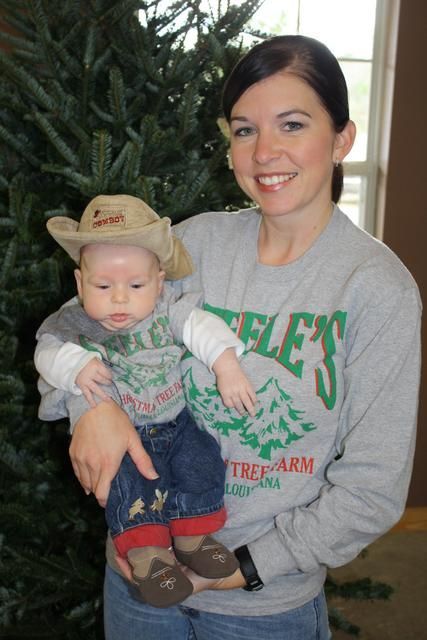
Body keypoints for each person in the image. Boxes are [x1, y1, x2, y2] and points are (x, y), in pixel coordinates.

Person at [42, 35, 422, 639]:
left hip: (264, 608)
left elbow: (372, 491)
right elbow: (71, 328)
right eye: (245, 130)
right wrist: (91, 409)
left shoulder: (376, 288)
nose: (265, 152)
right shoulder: (197, 245)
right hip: (140, 579)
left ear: (342, 138)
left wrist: (243, 570)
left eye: (291, 124)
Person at [35, 194, 259, 608]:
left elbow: (200, 327)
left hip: (174, 422)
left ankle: (195, 537)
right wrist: (76, 368)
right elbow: (47, 352)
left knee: (202, 458)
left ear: (158, 282)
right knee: (129, 488)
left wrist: (226, 364)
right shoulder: (73, 322)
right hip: (123, 437)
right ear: (81, 283)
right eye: (103, 286)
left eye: (136, 285)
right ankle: (149, 557)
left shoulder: (166, 309)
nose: (119, 299)